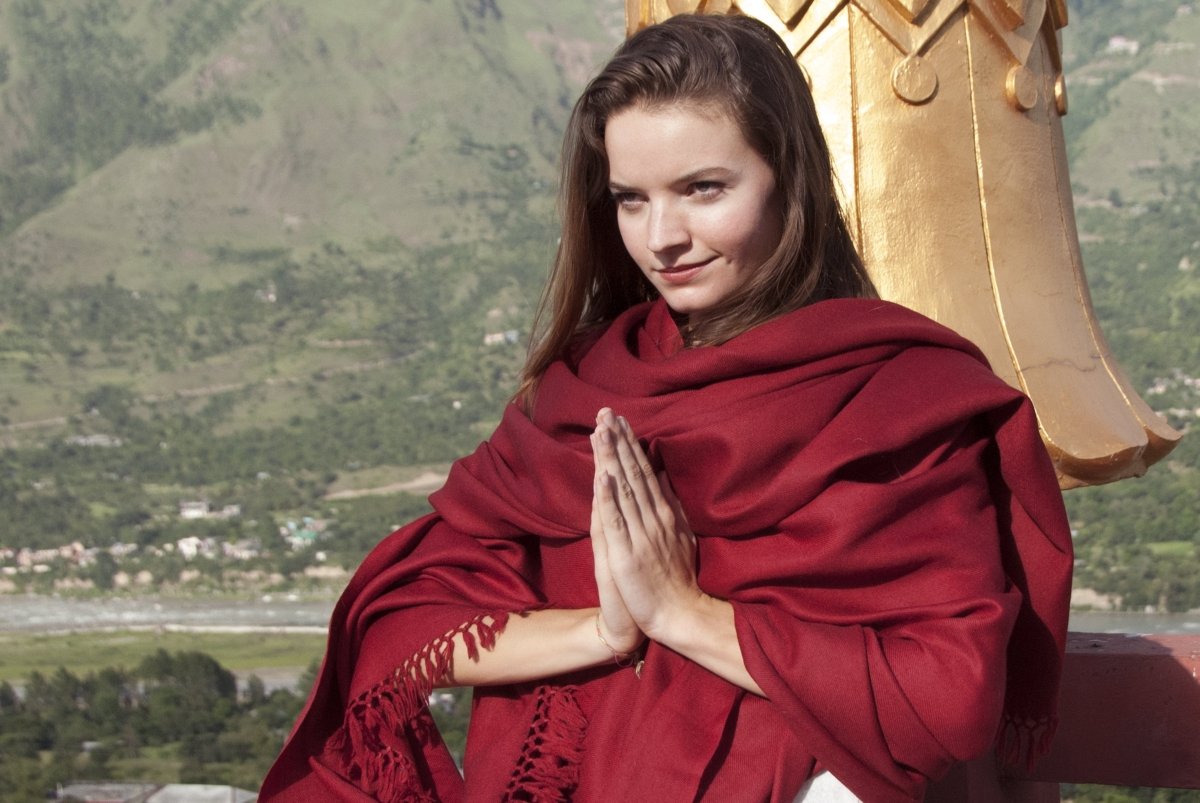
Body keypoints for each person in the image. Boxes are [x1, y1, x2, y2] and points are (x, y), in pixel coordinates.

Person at [260, 13, 1072, 803]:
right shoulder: (587, 393)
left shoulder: (895, 399)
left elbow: (947, 698)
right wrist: (608, 629)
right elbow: (399, 624)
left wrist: (684, 615)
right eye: (631, 199)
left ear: (790, 177)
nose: (661, 238)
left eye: (703, 189)